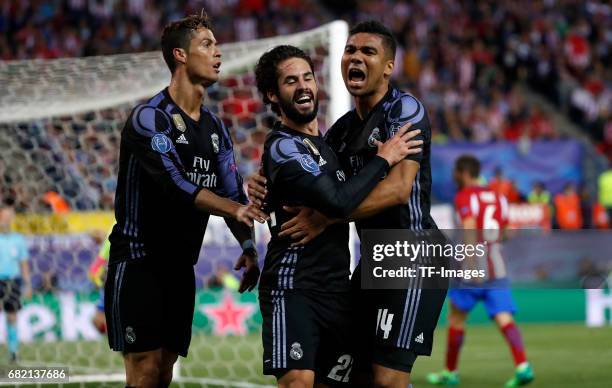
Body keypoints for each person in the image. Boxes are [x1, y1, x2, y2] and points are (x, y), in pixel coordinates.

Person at [249, 21, 446, 388]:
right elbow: (319, 180)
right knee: (347, 376)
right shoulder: (339, 132)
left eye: (368, 52)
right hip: (371, 262)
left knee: (387, 378)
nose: (355, 57)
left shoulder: (403, 110)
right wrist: (263, 182)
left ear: (388, 66)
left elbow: (400, 188)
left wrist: (326, 217)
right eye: (350, 51)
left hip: (412, 253)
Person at [104, 13, 268, 388]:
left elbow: (231, 189)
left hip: (180, 268)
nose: (218, 53)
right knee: (144, 370)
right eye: (207, 44)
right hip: (138, 260)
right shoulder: (150, 118)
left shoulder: (214, 128)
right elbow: (174, 183)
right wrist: (234, 208)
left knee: (163, 370)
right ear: (180, 55)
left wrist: (247, 244)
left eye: (216, 45)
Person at [426, 155, 534, 387]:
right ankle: (523, 366)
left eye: (456, 171)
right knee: (504, 317)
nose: (454, 175)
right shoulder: (499, 197)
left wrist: (472, 264)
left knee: (455, 318)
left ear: (464, 172)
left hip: (473, 267)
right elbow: (506, 231)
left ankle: (450, 373)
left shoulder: (465, 196)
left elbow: (469, 227)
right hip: (498, 267)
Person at [0, 202, 32, 363]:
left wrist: (28, 283)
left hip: (12, 281)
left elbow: (24, 263)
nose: (6, 220)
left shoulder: (18, 239)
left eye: (9, 217)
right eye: (4, 216)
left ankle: (13, 352)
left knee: (12, 316)